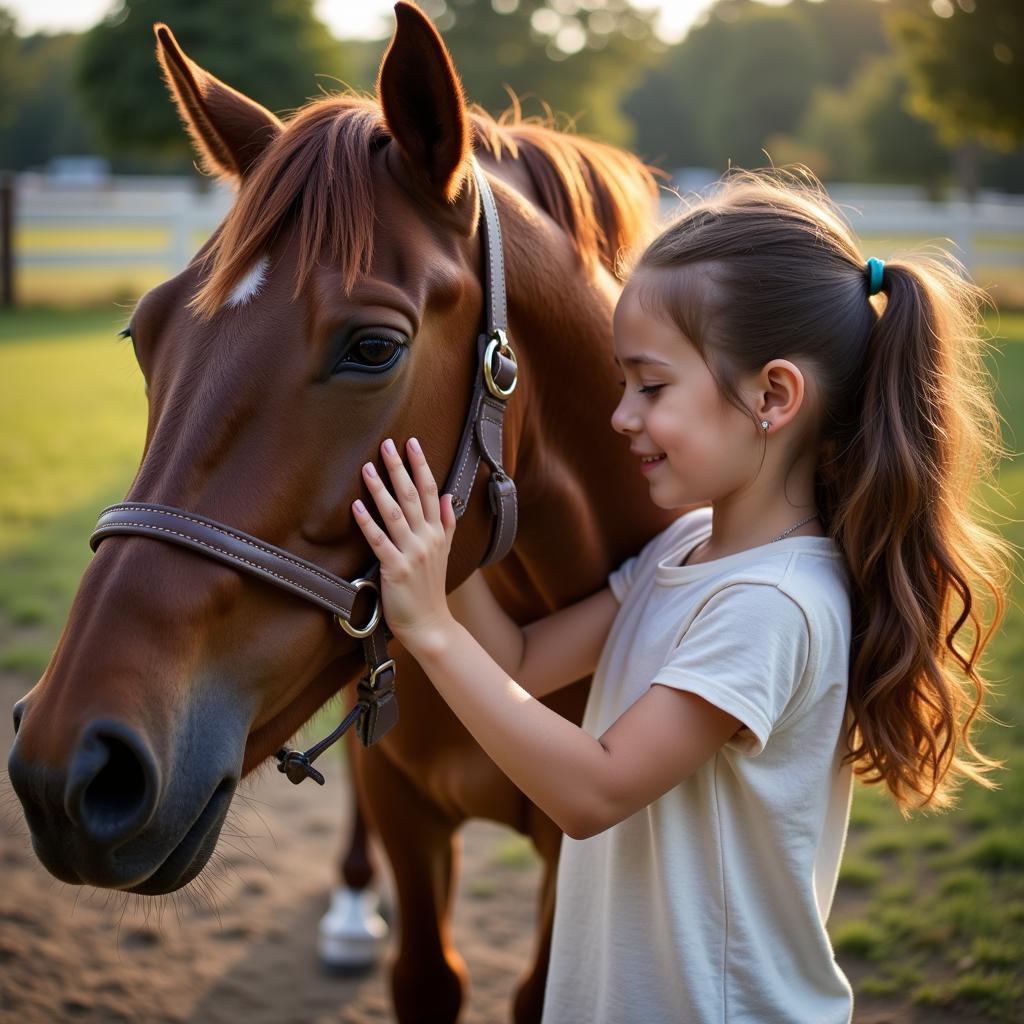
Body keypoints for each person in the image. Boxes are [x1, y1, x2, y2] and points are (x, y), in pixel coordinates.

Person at [350, 169, 1010, 1023]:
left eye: (650, 386)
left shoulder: (777, 603)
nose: (621, 415)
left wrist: (430, 628)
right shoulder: (684, 549)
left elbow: (592, 792)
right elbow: (521, 659)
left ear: (773, 396)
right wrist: (438, 549)